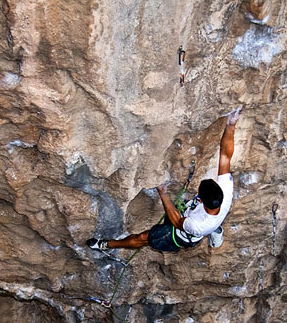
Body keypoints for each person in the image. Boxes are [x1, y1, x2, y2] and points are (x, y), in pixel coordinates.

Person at [87, 108, 240, 252]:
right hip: (197, 216)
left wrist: (163, 194)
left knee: (143, 238)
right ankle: (215, 227)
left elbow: (177, 222)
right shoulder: (225, 192)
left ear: (202, 202)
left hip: (183, 234)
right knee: (195, 217)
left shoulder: (197, 225)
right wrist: (231, 125)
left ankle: (106, 245)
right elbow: (225, 156)